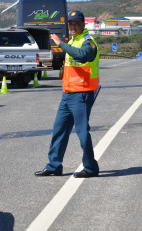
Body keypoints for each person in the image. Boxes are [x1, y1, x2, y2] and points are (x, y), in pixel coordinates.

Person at [34, 11, 100, 178]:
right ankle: (54, 165)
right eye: (70, 24)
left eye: (76, 23)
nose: (72, 26)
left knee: (82, 132)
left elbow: (83, 56)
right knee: (59, 130)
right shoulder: (73, 40)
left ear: (84, 25)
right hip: (68, 94)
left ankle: (91, 168)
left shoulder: (88, 42)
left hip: (82, 94)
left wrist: (60, 44)